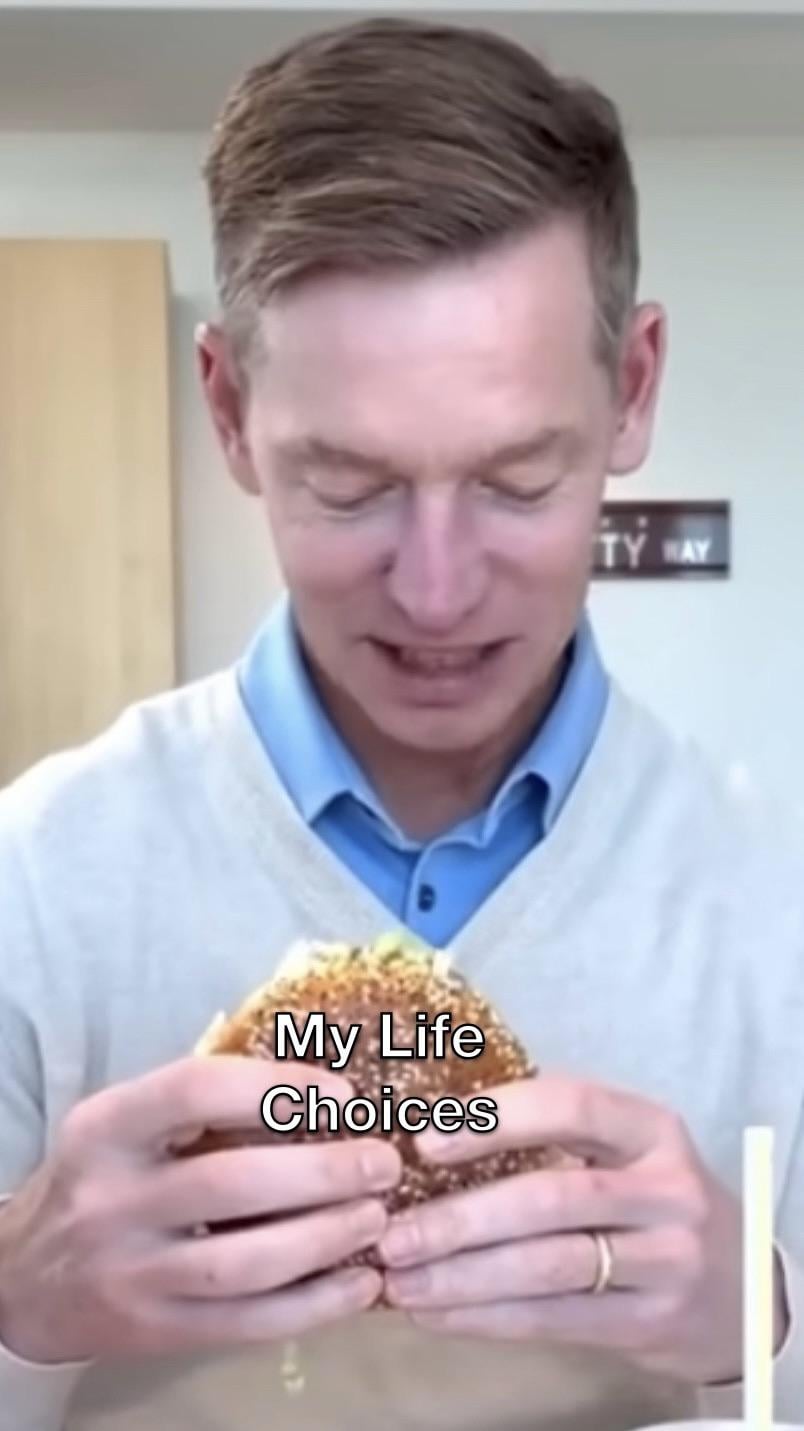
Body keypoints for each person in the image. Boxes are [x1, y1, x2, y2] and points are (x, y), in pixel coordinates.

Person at [0, 16, 801, 1431]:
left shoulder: (773, 901)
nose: (436, 592)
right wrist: (15, 1299)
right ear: (229, 412)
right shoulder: (35, 880)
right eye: (351, 486)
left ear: (632, 390)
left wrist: (766, 1331)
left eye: (516, 480)